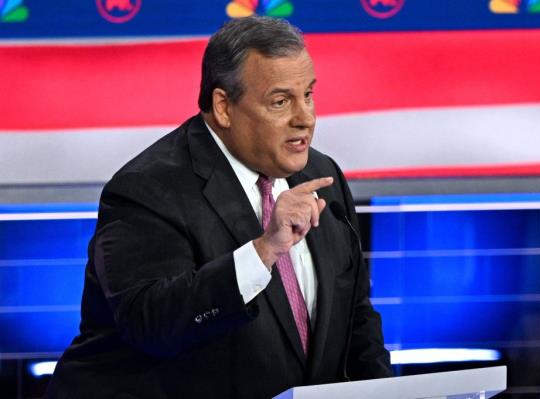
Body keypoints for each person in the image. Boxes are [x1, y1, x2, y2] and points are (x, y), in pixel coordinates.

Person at [46, 16, 391, 399]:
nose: (305, 118)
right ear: (224, 107)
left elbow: (356, 318)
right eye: (280, 101)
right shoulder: (147, 189)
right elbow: (151, 325)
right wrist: (262, 252)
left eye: (308, 95)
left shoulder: (322, 175)